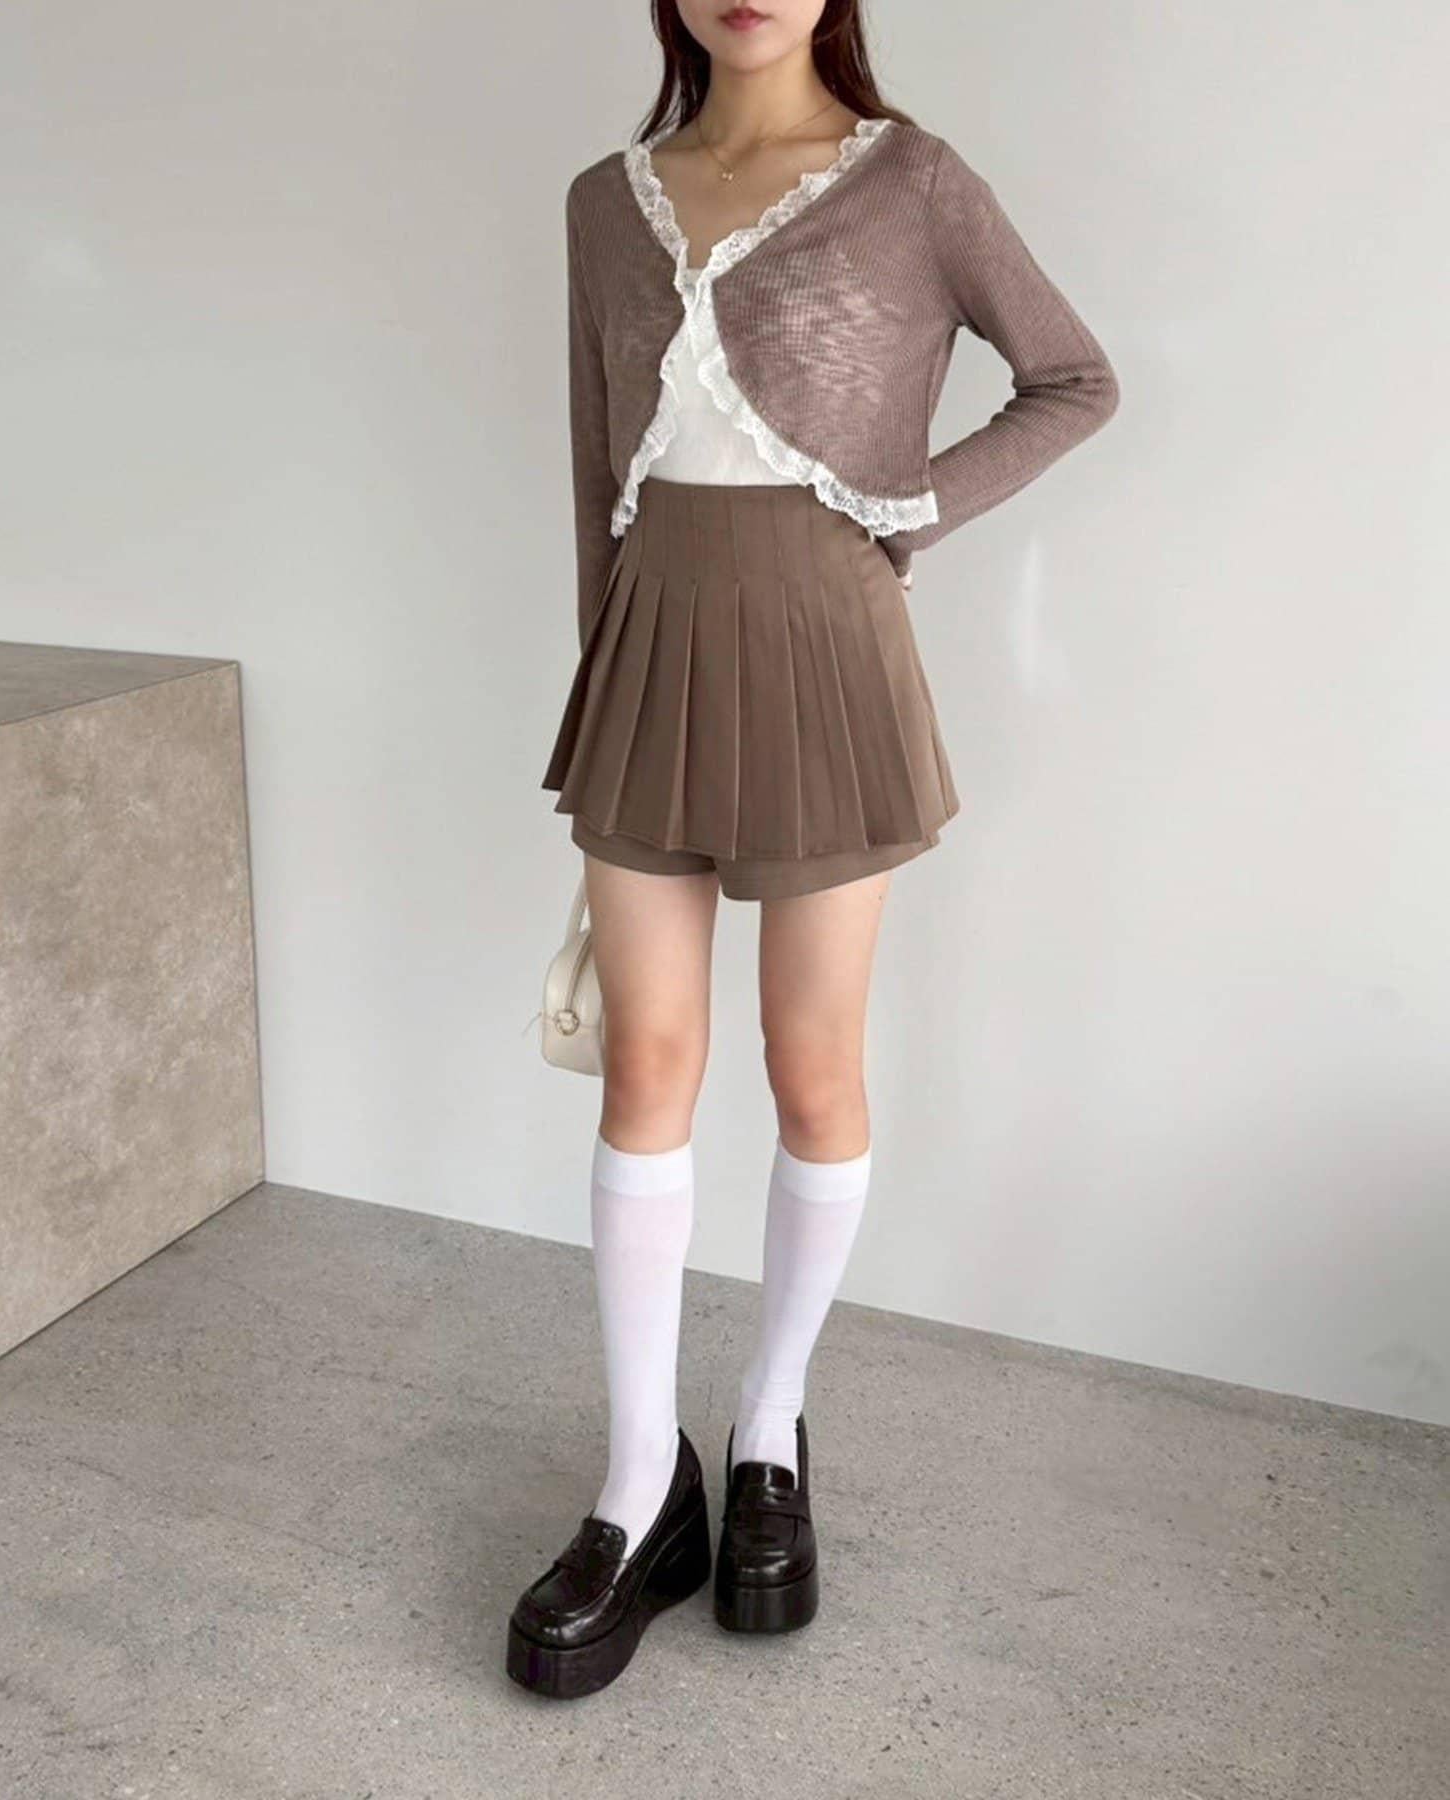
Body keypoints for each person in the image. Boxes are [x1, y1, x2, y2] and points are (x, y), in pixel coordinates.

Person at [507, 0, 1120, 1699]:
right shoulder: (603, 201)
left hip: (830, 652)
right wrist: (602, 685)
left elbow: (1075, 379)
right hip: (650, 648)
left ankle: (769, 1422)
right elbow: (596, 468)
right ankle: (642, 1484)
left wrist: (907, 506)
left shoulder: (913, 183)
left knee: (811, 1065)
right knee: (645, 1059)